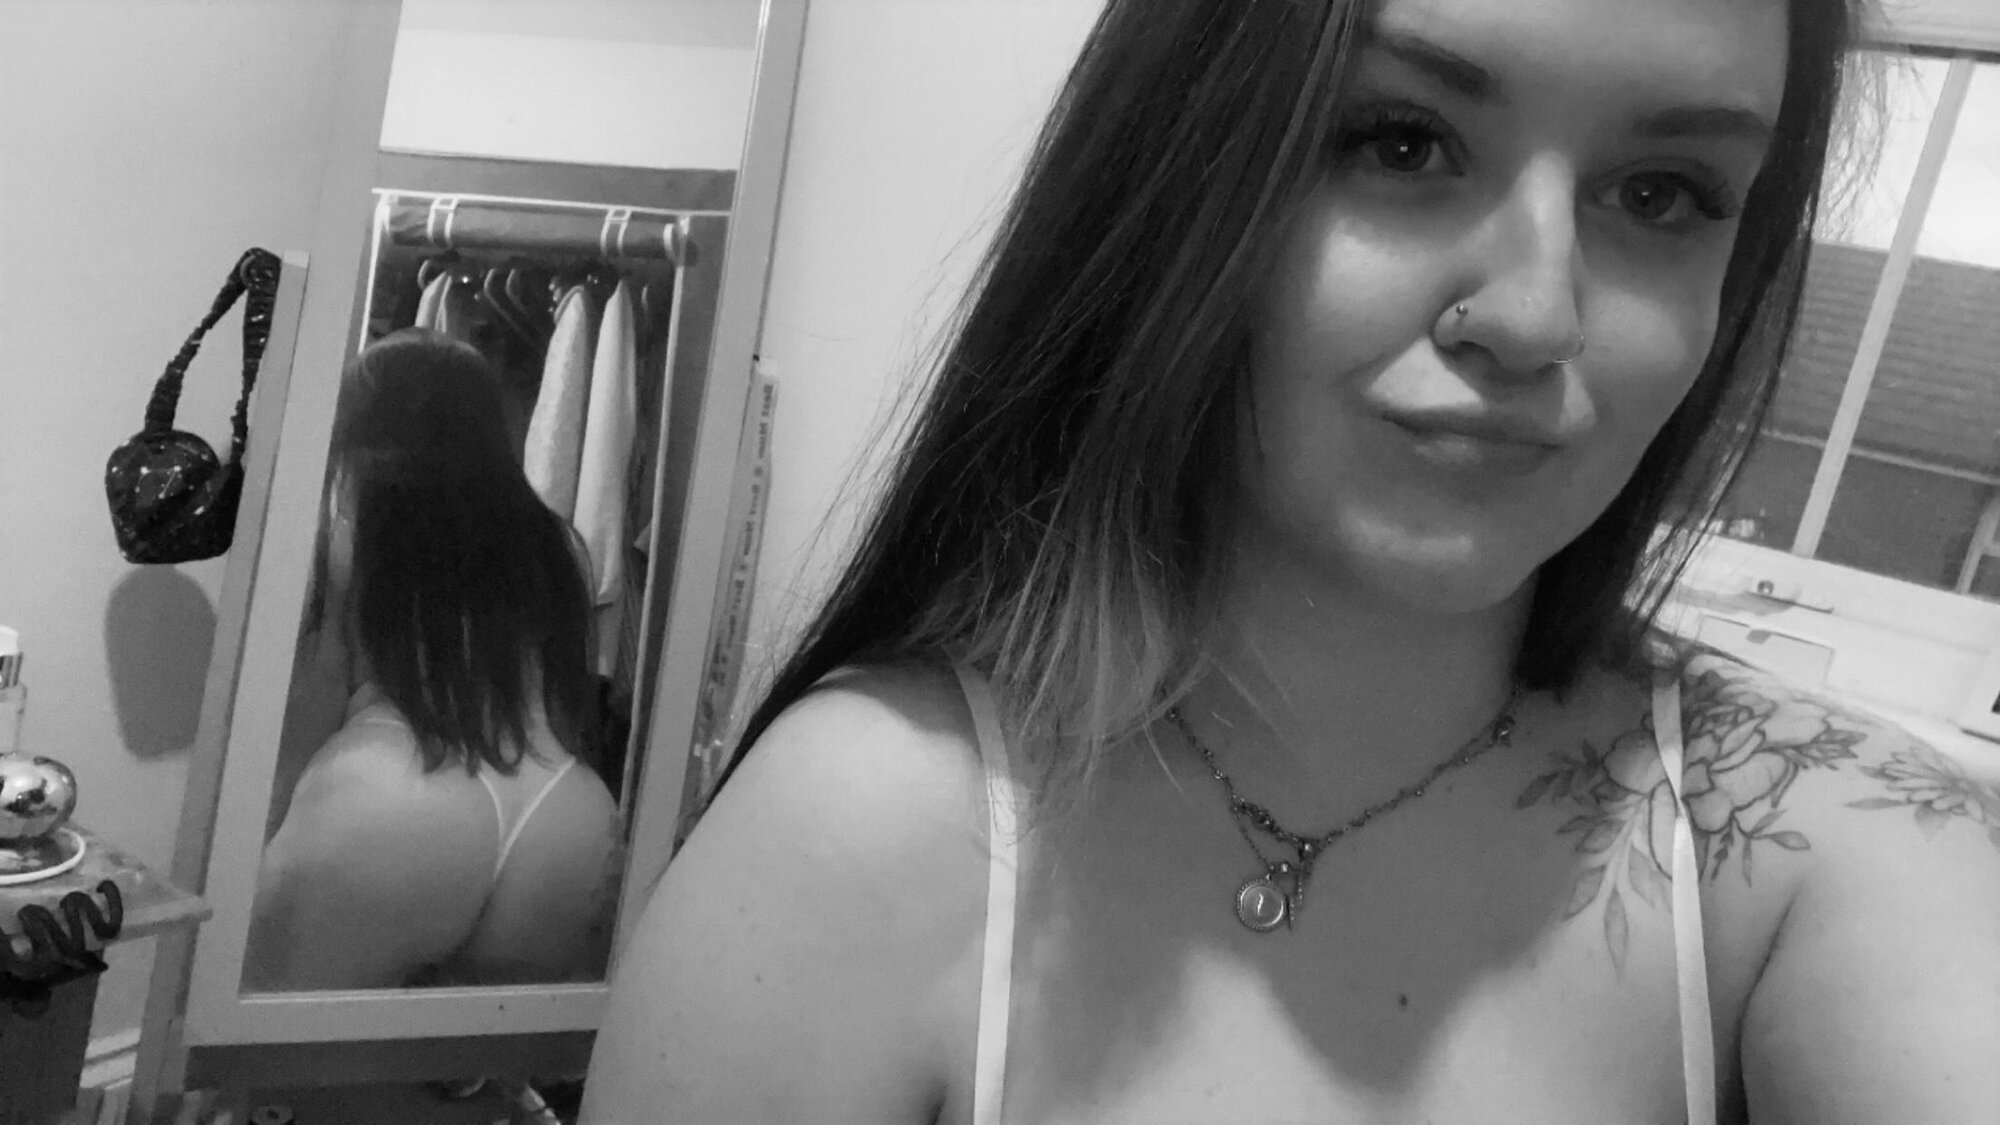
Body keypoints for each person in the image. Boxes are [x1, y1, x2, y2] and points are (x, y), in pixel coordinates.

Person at [583, 0, 2000, 1120]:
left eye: (1663, 192)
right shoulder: (860, 840)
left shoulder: (1819, 856)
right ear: (1174, 178)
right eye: (1401, 142)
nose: (1532, 314)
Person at [247, 329, 621, 991]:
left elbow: (317, 684)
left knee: (272, 1030)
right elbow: (562, 693)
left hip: (400, 783)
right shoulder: (554, 538)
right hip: (565, 805)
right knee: (473, 1052)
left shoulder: (350, 520)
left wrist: (270, 830)